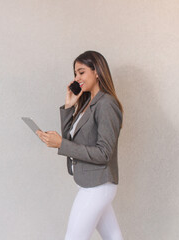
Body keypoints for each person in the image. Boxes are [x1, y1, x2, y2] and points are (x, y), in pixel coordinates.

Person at [36, 50, 124, 240]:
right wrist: (69, 106)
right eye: (75, 74)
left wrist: (60, 144)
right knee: (113, 237)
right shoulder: (87, 104)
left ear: (97, 71)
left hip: (98, 184)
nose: (77, 78)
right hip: (90, 183)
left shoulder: (106, 104)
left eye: (81, 72)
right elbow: (70, 138)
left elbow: (104, 153)